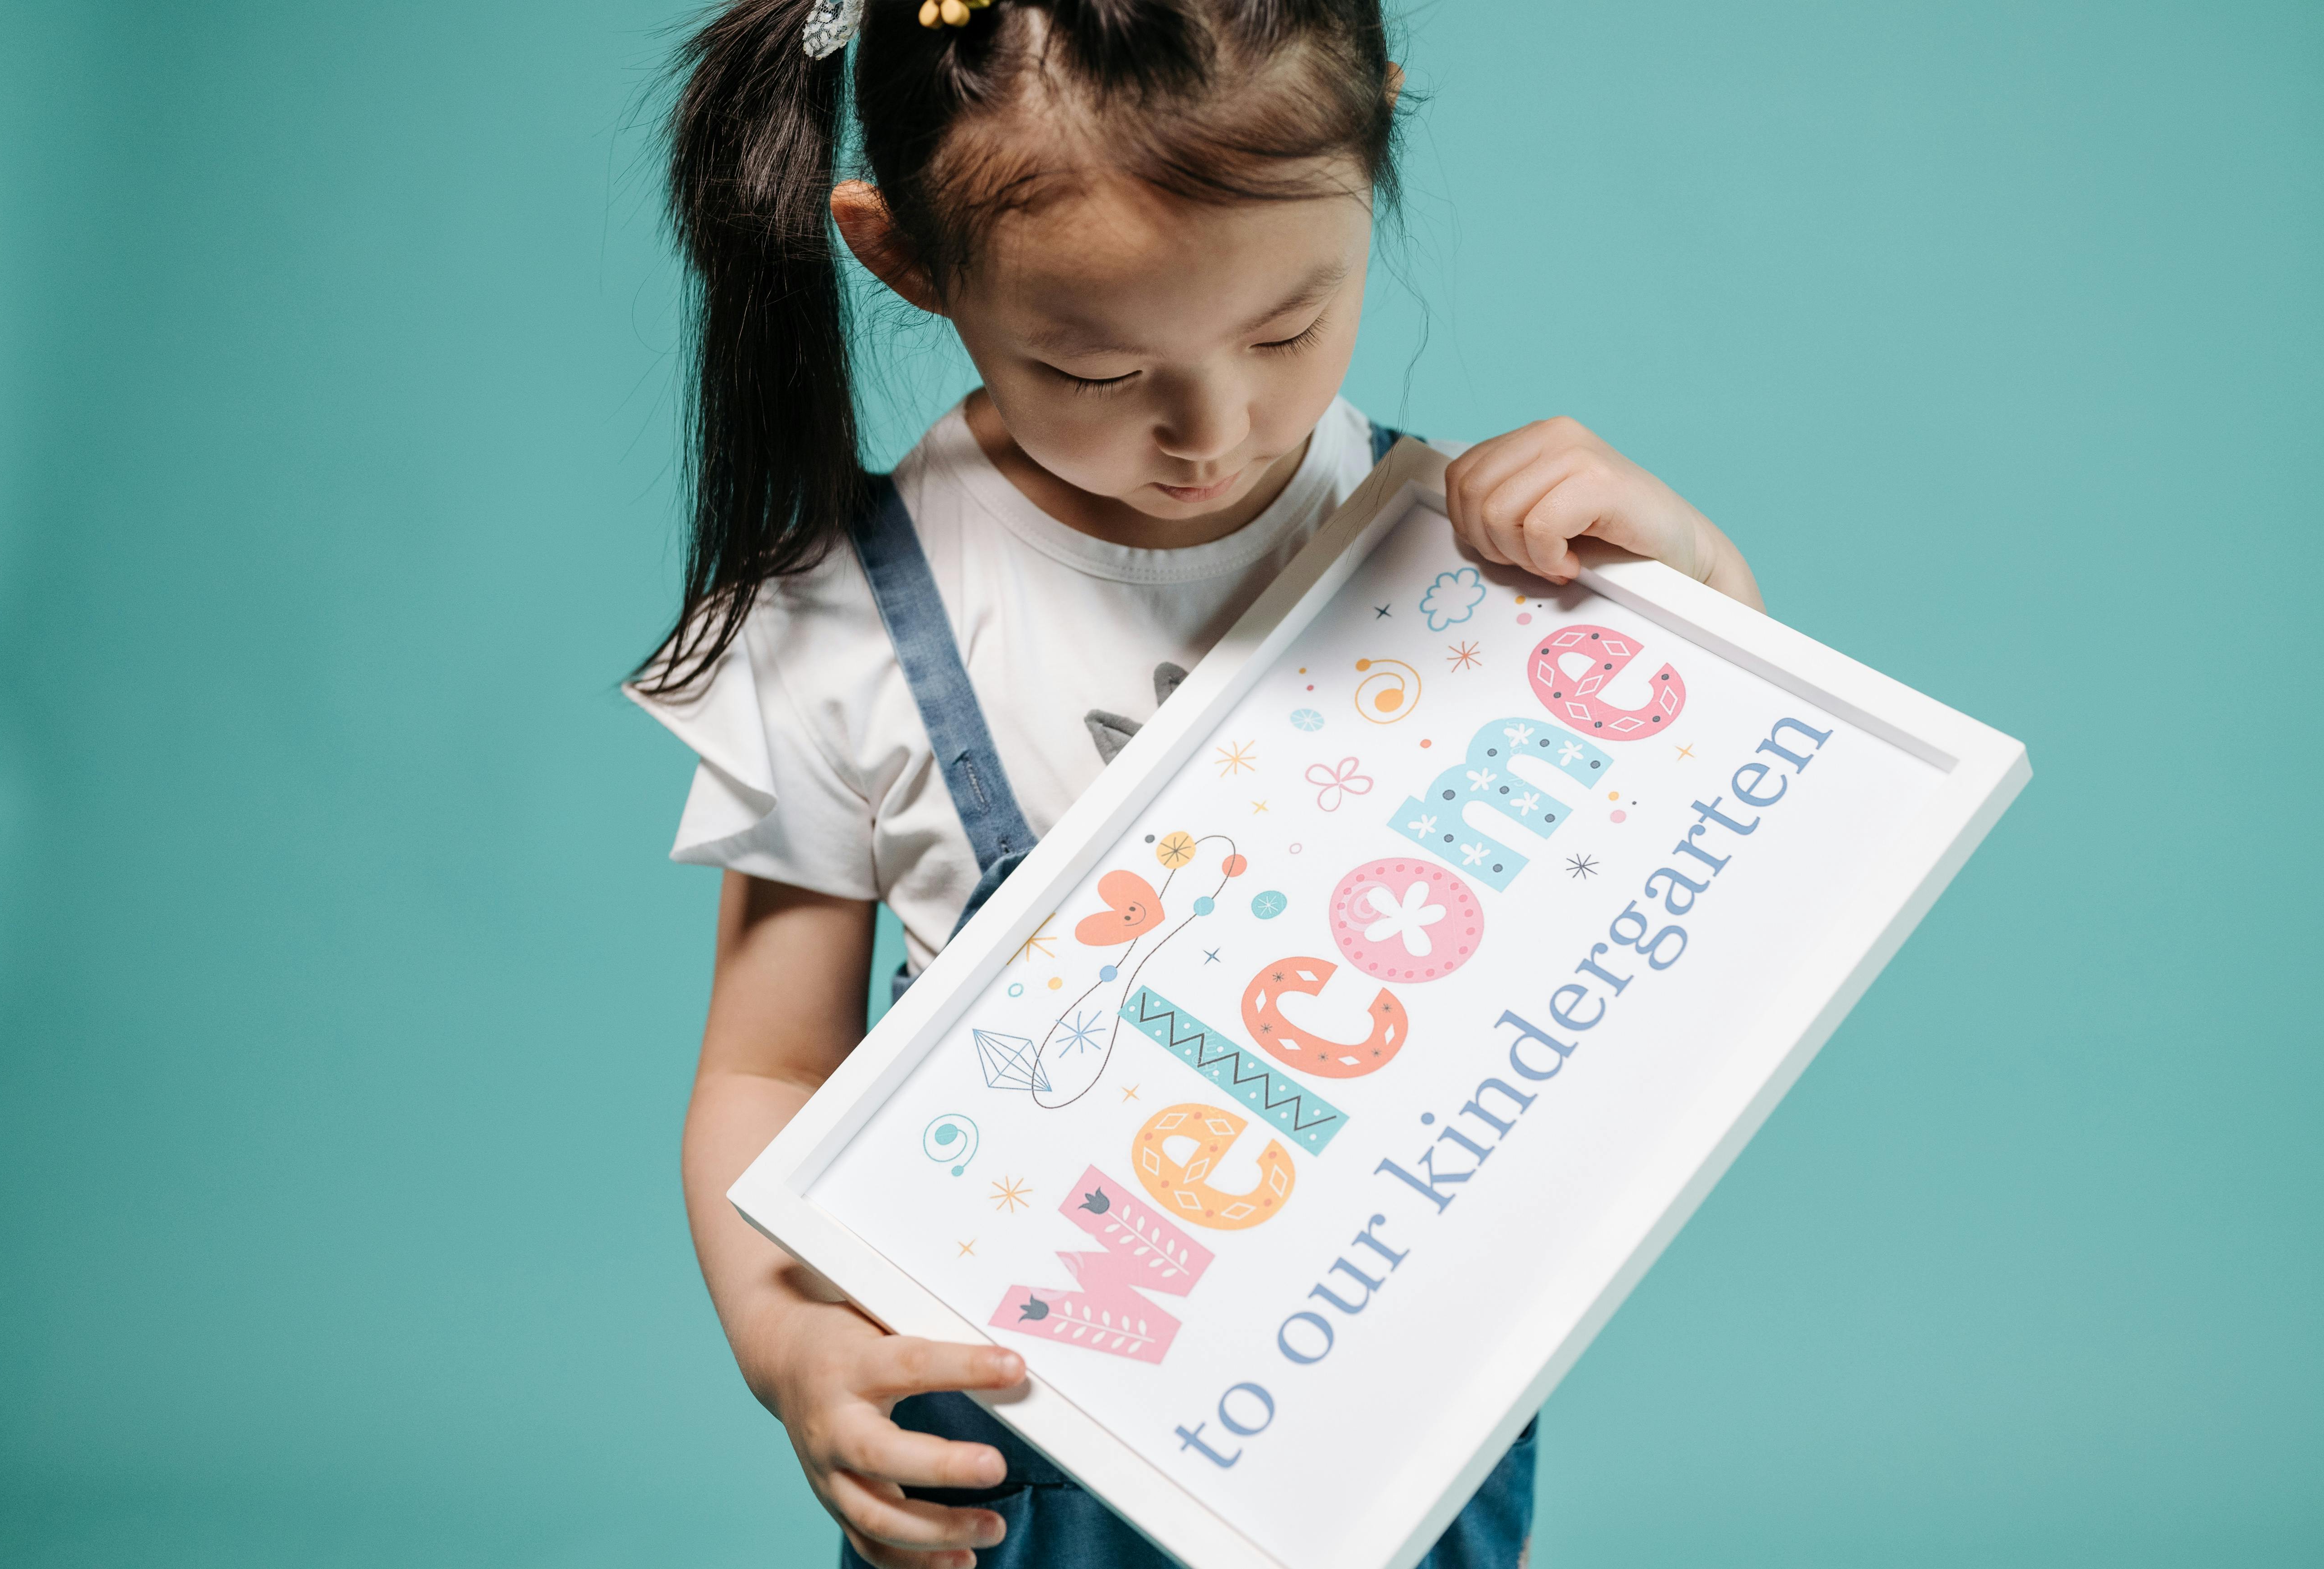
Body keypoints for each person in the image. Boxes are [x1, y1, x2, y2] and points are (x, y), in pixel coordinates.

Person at [628, 2, 1764, 1564]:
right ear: (906, 259)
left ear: (1384, 126)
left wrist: (1694, 583)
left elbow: (1727, 847)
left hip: (1375, 1421)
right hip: (1009, 1440)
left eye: (1288, 330)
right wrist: (788, 1344)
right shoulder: (850, 623)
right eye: (1089, 366)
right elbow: (766, 1070)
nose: (1212, 432)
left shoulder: (1477, 551)